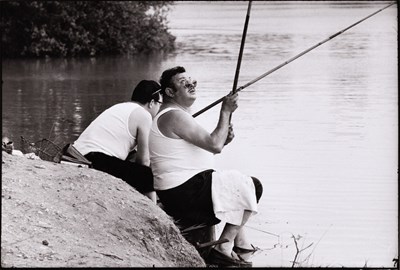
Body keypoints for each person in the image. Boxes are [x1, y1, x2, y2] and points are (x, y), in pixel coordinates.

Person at [149, 66, 263, 266]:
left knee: (239, 186)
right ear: (169, 92)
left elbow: (208, 146)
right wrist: (226, 111)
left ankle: (237, 245)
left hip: (182, 191)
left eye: (192, 81)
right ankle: (224, 247)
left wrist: (224, 138)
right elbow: (214, 145)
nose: (191, 85)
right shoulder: (174, 115)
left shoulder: (175, 114)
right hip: (184, 193)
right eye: (184, 83)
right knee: (253, 185)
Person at [73, 80, 163, 203]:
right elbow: (143, 161)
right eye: (160, 104)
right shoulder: (144, 115)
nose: (159, 108)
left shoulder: (120, 107)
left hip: (76, 153)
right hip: (94, 159)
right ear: (152, 103)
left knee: (133, 160)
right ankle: (154, 210)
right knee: (145, 173)